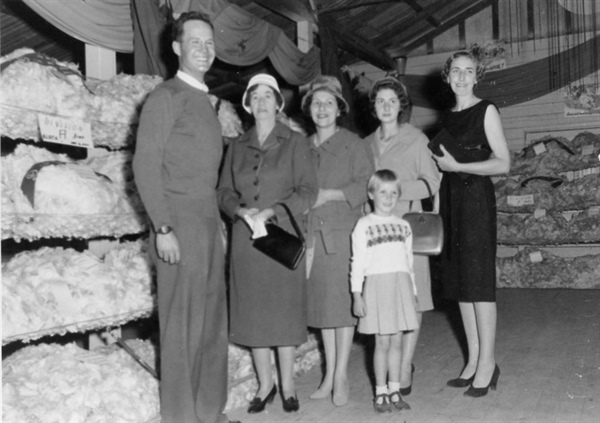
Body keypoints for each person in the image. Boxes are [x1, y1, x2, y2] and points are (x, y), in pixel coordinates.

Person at [132, 12, 238, 423]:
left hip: (206, 223)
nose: (204, 49)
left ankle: (209, 411)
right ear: (176, 48)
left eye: (210, 42)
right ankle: (181, 416)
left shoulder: (204, 101)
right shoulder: (166, 97)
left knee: (212, 321)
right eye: (195, 42)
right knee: (181, 326)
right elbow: (145, 166)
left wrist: (216, 227)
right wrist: (163, 228)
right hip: (176, 223)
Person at [217, 74, 318, 414]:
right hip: (247, 240)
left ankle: (288, 385)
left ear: (278, 102)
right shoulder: (236, 146)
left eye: (267, 96)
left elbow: (308, 191)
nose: (261, 102)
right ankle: (266, 385)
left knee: (284, 314)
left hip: (282, 238)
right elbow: (224, 192)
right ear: (248, 104)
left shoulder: (295, 142)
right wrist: (241, 210)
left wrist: (273, 210)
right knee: (255, 315)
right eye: (254, 96)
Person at [430, 50, 511, 397]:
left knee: (478, 283)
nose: (462, 77)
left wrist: (459, 168)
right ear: (447, 77)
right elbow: (440, 171)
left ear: (477, 77)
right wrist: (436, 209)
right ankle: (474, 359)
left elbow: (503, 163)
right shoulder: (445, 118)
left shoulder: (486, 110)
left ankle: (489, 363)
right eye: (457, 71)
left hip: (476, 200)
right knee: (461, 284)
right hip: (451, 201)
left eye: (469, 71)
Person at [364, 76, 441, 396]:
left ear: (401, 106)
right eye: (380, 101)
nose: (386, 106)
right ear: (373, 107)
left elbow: (432, 183)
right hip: (376, 235)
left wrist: (394, 192)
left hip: (409, 231)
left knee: (414, 300)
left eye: (391, 101)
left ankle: (405, 366)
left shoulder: (416, 139)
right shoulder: (365, 143)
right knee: (382, 301)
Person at [301, 75, 374, 406]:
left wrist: (327, 194)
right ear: (309, 109)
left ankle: (341, 375)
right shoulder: (302, 147)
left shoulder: (354, 144)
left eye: (329, 102)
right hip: (311, 235)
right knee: (323, 309)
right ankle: (329, 374)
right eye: (316, 103)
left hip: (341, 234)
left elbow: (366, 187)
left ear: (339, 108)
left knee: (341, 311)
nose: (322, 108)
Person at [351, 169, 418, 413]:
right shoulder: (364, 225)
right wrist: (357, 294)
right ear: (371, 194)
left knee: (397, 342)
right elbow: (357, 262)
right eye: (382, 192)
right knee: (381, 342)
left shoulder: (403, 226)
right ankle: (380, 393)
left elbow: (408, 263)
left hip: (400, 287)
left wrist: (414, 292)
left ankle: (395, 389)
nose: (388, 198)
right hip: (377, 287)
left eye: (393, 193)